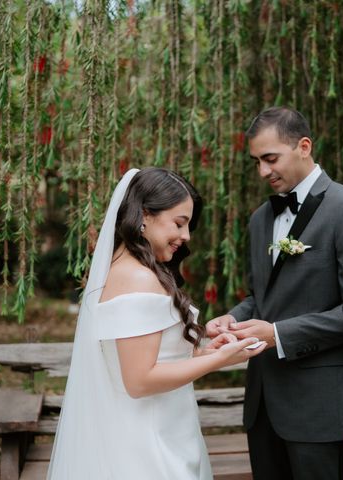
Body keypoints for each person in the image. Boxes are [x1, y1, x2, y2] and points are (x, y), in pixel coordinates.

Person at [47, 167, 266, 480]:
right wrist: (218, 360)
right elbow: (139, 380)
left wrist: (205, 351)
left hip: (164, 429)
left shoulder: (127, 269)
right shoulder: (137, 277)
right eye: (179, 223)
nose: (187, 236)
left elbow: (157, 357)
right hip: (148, 444)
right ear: (145, 215)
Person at [207, 107, 343, 480]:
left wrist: (277, 335)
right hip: (263, 404)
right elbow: (262, 297)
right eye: (256, 161)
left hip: (319, 405)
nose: (263, 172)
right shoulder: (260, 219)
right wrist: (235, 317)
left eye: (270, 159)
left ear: (304, 146)